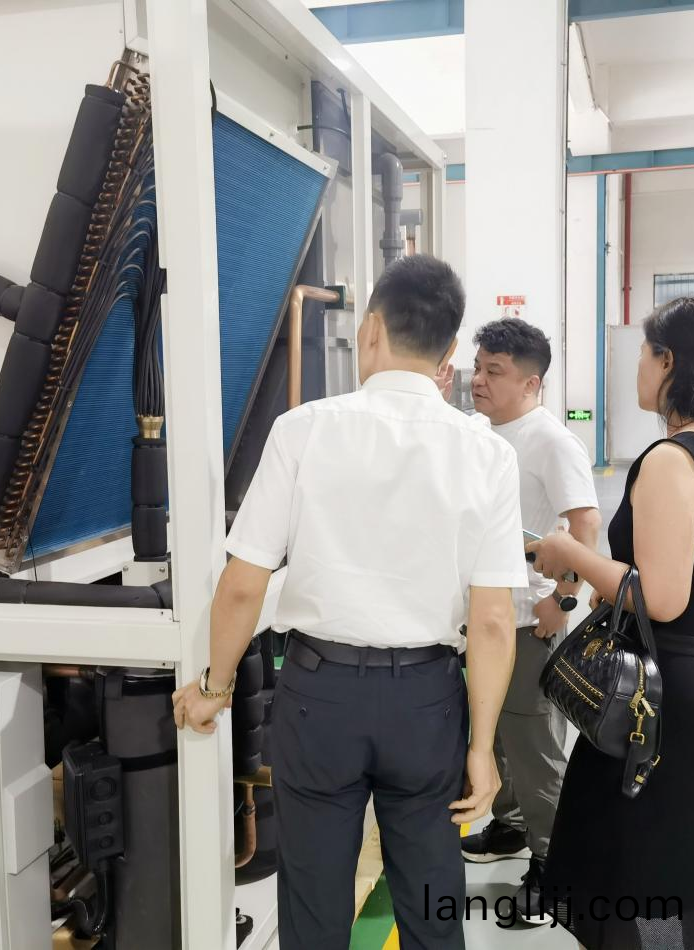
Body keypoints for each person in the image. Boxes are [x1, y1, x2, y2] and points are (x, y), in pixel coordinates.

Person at [172, 255, 525, 950]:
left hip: (318, 697)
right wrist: (482, 748)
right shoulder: (486, 453)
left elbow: (242, 583)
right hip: (427, 702)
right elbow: (491, 621)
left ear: (370, 332)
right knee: (431, 901)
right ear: (450, 351)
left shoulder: (303, 429)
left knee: (313, 907)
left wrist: (213, 688)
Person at [527, 296, 694, 950]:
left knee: (647, 853)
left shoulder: (672, 460)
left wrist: (570, 553)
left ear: (668, 361)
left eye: (644, 353)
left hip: (661, 695)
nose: (637, 366)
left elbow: (662, 598)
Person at [457, 318, 602, 925]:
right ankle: (513, 826)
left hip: (529, 620)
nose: (478, 381)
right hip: (488, 617)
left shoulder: (551, 441)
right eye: (477, 367)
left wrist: (562, 599)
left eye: (494, 371)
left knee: (535, 747)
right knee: (502, 739)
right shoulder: (480, 432)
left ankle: (554, 869)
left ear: (531, 382)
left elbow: (586, 525)